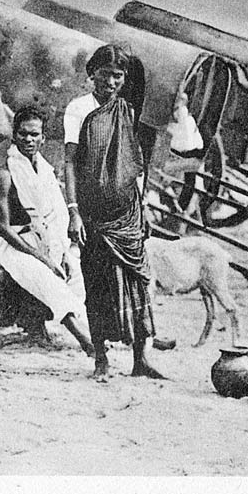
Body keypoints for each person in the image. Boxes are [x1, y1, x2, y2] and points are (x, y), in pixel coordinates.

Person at [64, 44, 165, 381]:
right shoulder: (78, 110)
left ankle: (141, 360)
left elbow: (134, 164)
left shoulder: (126, 110)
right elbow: (69, 162)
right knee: (97, 283)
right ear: (92, 74)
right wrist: (74, 211)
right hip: (94, 213)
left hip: (128, 212)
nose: (111, 82)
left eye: (117, 76)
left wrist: (145, 208)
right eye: (105, 75)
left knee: (137, 283)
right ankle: (101, 361)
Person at [0, 105, 93, 354]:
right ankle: (88, 344)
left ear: (43, 138)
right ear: (14, 136)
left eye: (35, 134)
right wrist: (42, 258)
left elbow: (56, 216)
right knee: (45, 277)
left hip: (42, 238)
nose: (29, 139)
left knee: (77, 273)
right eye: (23, 133)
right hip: (11, 244)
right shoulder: (4, 175)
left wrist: (62, 253)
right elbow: (3, 228)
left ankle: (106, 335)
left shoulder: (44, 172)